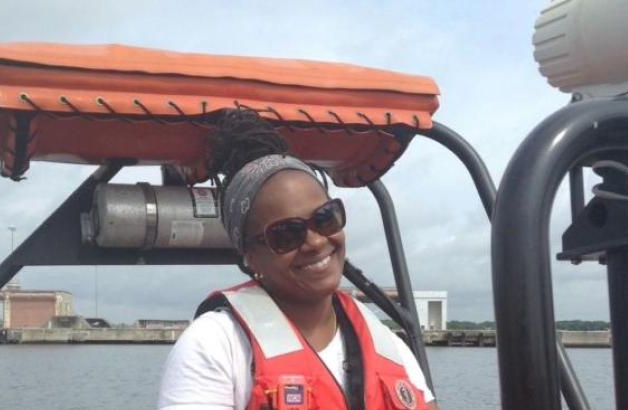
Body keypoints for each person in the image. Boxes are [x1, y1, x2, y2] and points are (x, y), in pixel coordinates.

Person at [158, 109, 438, 410]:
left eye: (325, 218)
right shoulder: (216, 345)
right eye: (287, 234)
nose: (315, 242)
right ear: (251, 257)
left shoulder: (391, 348)